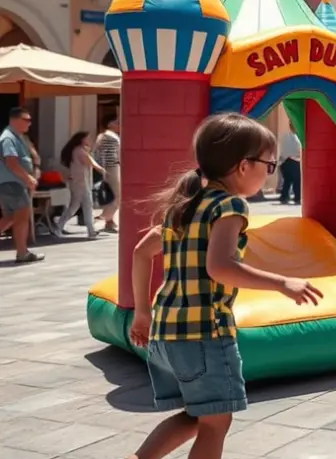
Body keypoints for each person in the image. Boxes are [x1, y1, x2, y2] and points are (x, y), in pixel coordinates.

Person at [126, 113, 323, 459]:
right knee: (217, 422)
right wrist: (282, 283)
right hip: (204, 335)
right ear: (244, 166)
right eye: (269, 164)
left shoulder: (183, 207)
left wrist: (142, 312)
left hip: (165, 333)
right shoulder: (231, 205)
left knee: (197, 415)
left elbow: (142, 252)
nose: (269, 172)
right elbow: (219, 267)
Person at [0, 107, 41, 263]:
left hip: (11, 183)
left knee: (10, 217)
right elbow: (11, 162)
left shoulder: (17, 137)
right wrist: (28, 178)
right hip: (12, 183)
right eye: (26, 120)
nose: (29, 124)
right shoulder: (8, 138)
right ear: (14, 120)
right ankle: (22, 253)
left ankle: (23, 252)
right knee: (22, 217)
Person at [56, 131, 106, 239]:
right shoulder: (79, 151)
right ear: (82, 139)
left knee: (76, 206)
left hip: (79, 182)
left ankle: (60, 227)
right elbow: (90, 162)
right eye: (87, 138)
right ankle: (90, 230)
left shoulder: (79, 150)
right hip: (80, 183)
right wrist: (102, 170)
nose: (89, 140)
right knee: (86, 205)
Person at [95, 115, 121, 233]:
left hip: (111, 167)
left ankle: (108, 221)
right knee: (119, 195)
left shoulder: (105, 136)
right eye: (115, 122)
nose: (118, 124)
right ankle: (105, 216)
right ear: (109, 124)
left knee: (114, 194)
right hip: (112, 167)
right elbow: (110, 155)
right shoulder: (109, 136)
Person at [277, 123, 301, 205]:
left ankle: (284, 197)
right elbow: (297, 150)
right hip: (294, 161)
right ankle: (297, 197)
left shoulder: (284, 137)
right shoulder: (296, 138)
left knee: (287, 180)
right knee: (296, 181)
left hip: (284, 161)